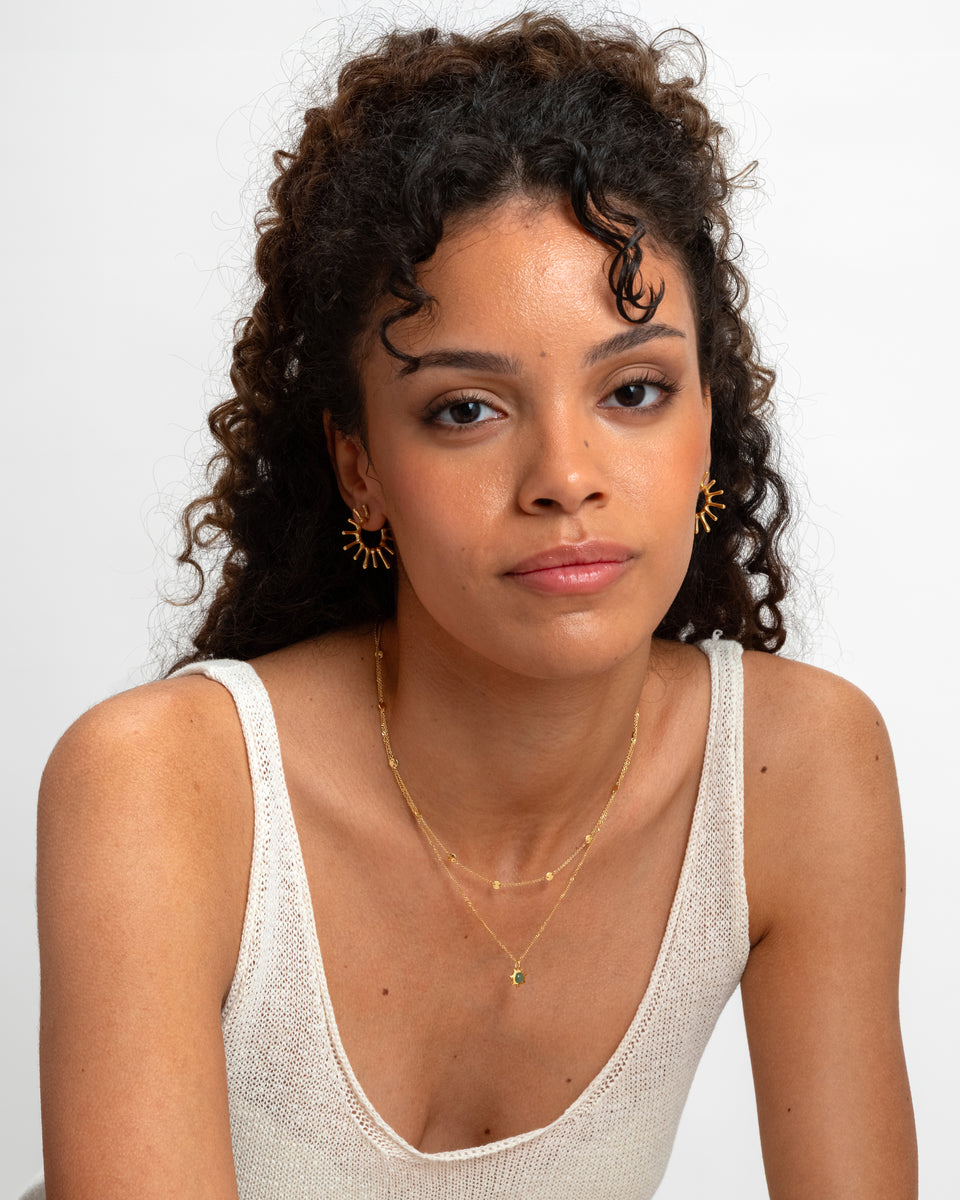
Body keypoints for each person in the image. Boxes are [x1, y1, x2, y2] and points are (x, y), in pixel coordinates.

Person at [33, 11, 917, 1198]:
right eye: (466, 409)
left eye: (637, 389)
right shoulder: (160, 789)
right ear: (361, 468)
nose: (564, 475)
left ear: (709, 423)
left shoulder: (797, 771)